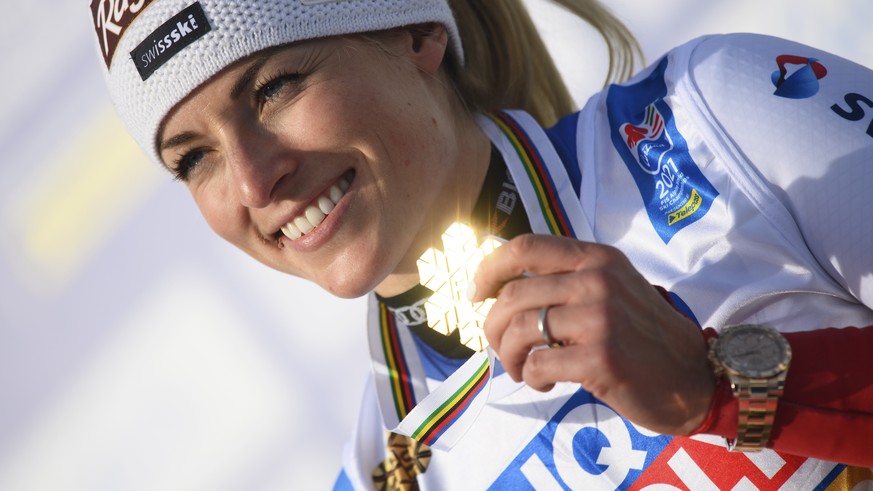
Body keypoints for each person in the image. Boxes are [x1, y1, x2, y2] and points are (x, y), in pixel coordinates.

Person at [89, 0, 873, 489]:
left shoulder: (712, 119)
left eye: (275, 87)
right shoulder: (382, 472)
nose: (255, 183)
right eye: (194, 158)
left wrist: (719, 387)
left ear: (416, 32)